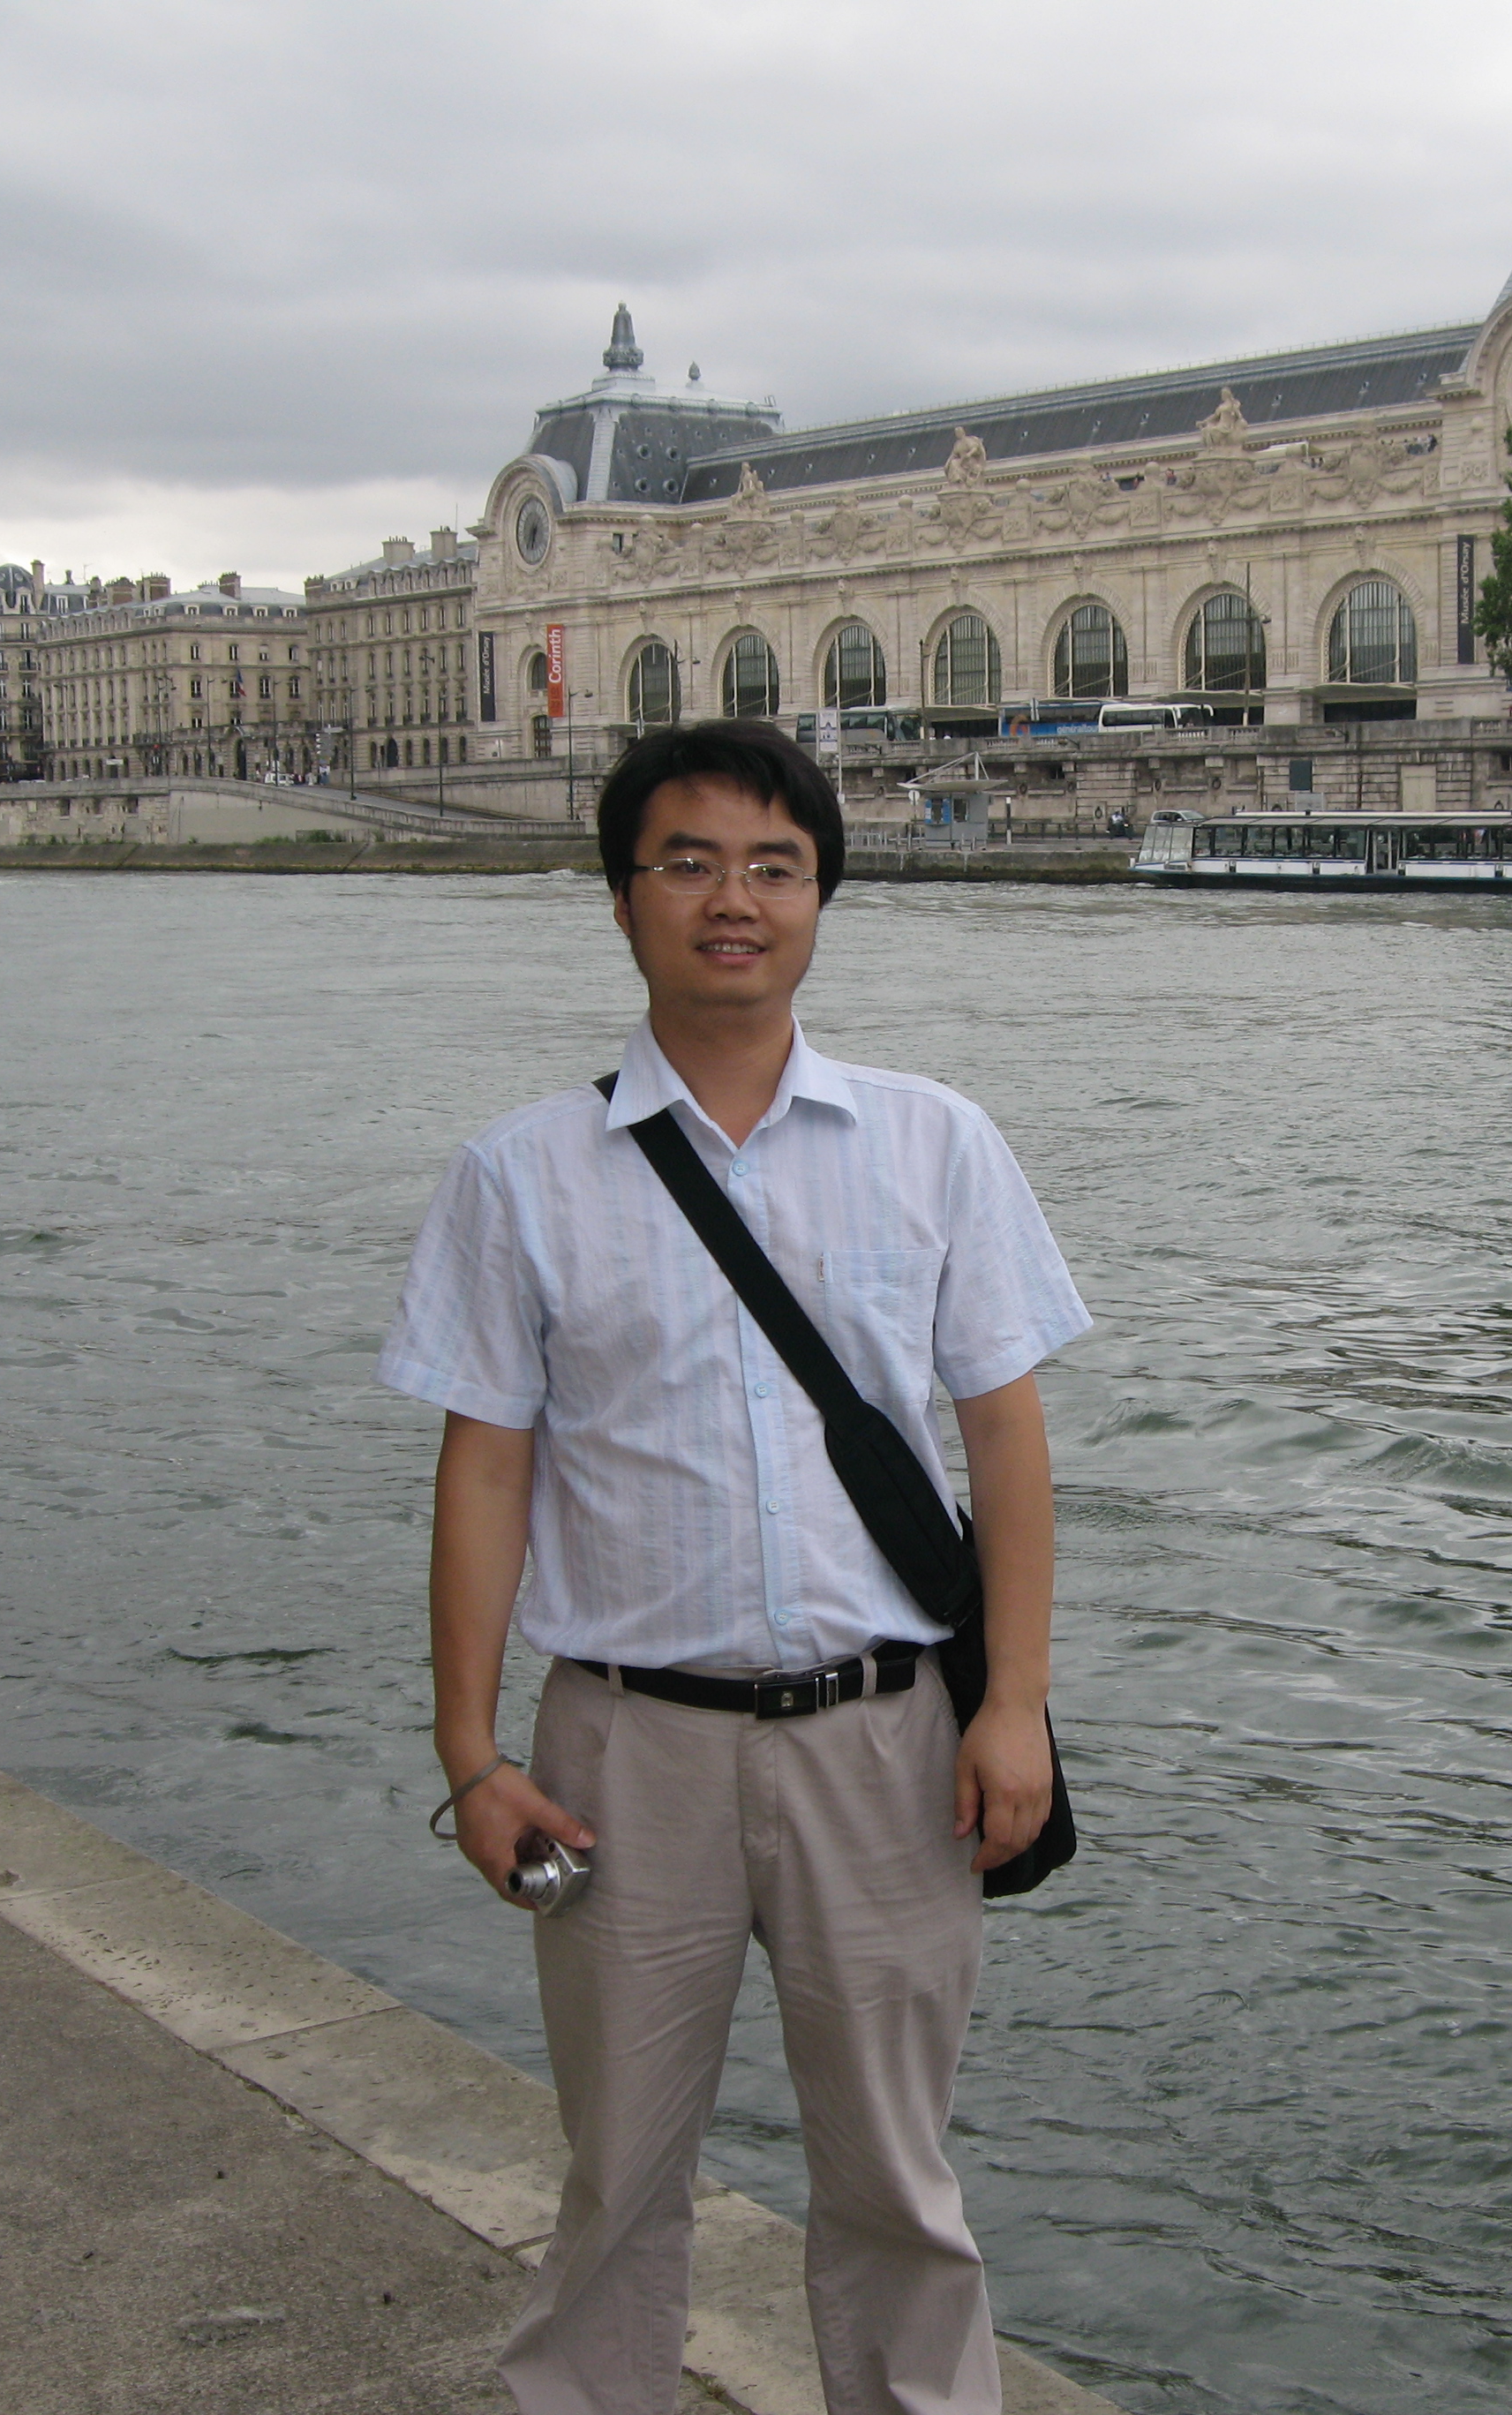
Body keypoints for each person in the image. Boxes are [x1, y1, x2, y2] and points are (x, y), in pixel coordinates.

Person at [379, 718, 1088, 2415]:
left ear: (822, 898)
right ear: (621, 897)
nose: (733, 901)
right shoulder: (518, 1176)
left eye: (776, 867)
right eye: (688, 863)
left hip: (891, 1738)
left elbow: (1006, 1444)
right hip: (625, 1748)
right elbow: (485, 1472)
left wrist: (1016, 1708)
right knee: (617, 2176)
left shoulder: (935, 1141)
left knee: (899, 2182)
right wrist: (470, 1752)